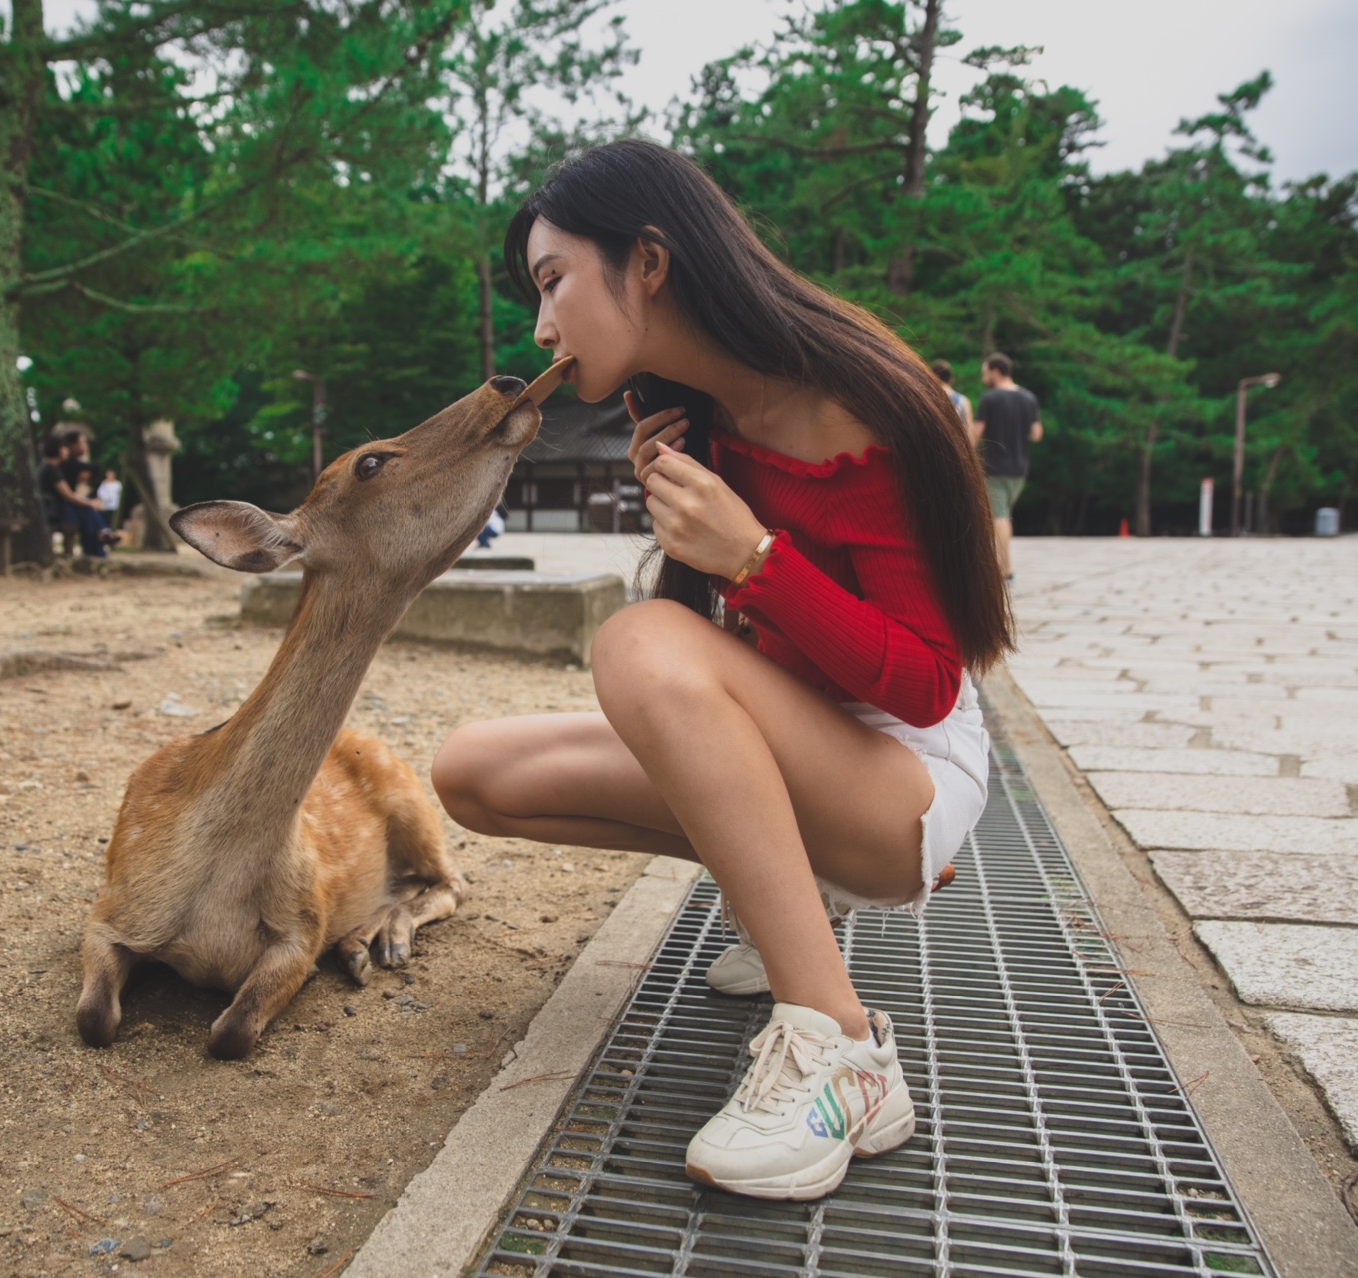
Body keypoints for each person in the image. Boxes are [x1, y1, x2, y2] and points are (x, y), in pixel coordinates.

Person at [431, 140, 1011, 1203]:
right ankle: (793, 896)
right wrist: (715, 557)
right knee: (469, 772)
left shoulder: (864, 407)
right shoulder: (703, 423)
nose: (540, 326)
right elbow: (732, 663)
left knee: (636, 646)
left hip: (907, 778)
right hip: (808, 753)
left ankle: (842, 1054)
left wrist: (753, 559)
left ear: (647, 263)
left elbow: (929, 682)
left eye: (552, 281)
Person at [976, 353, 1041, 579]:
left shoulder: (990, 399)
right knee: (1004, 514)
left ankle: (1005, 569)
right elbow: (1036, 434)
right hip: (1020, 468)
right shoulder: (1029, 398)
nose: (983, 376)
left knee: (998, 516)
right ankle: (1003, 567)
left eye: (985, 372)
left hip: (995, 467)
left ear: (995, 371)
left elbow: (976, 433)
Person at [929, 360, 974, 443]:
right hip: (957, 450)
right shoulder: (964, 401)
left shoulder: (928, 399)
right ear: (951, 378)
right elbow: (969, 436)